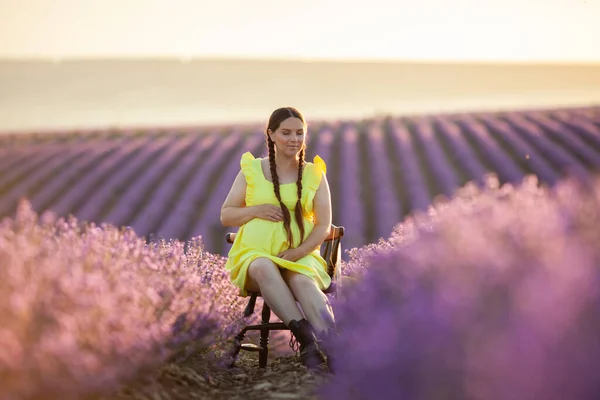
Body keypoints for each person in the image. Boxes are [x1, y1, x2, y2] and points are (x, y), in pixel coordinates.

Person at [220, 106, 335, 370]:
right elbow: (226, 215)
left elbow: (323, 226)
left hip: (300, 255)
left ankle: (333, 345)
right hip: (254, 256)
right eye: (286, 132)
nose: (294, 139)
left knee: (304, 284)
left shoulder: (313, 174)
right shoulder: (252, 170)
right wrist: (257, 210)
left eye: (299, 133)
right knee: (263, 265)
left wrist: (297, 253)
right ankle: (307, 340)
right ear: (271, 134)